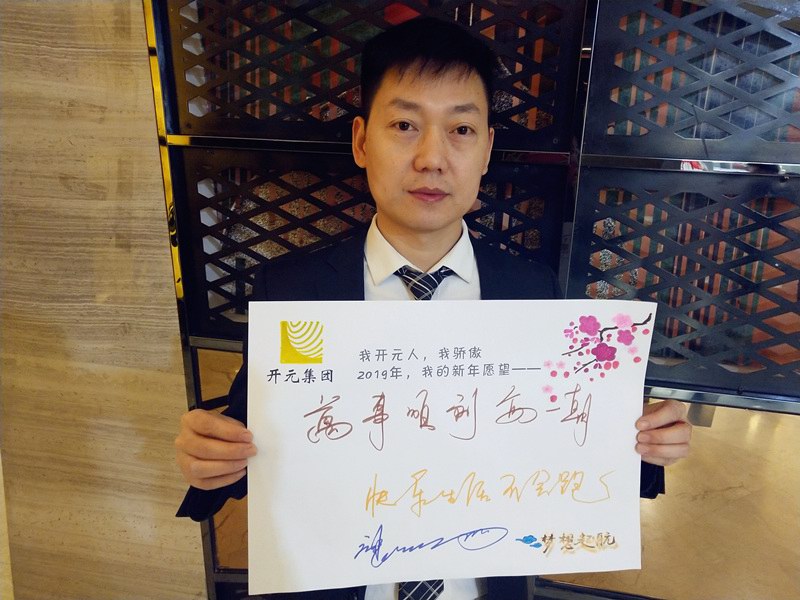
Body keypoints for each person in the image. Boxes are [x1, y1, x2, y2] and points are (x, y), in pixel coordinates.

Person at [175, 17, 692, 600]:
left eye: (461, 129)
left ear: (487, 148)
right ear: (361, 141)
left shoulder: (532, 293)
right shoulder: (294, 290)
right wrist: (211, 460)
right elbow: (254, 442)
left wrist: (646, 443)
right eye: (404, 125)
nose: (431, 158)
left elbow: (572, 447)